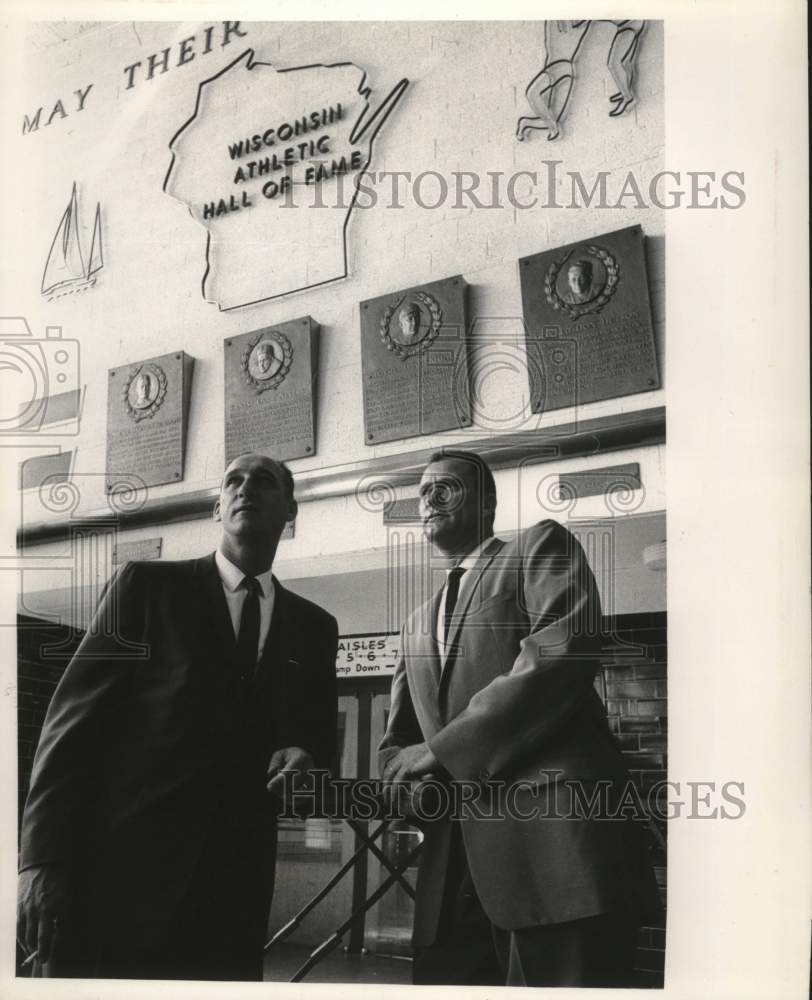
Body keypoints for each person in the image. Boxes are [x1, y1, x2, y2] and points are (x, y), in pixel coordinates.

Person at [17, 452, 339, 981]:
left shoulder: (314, 627)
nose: (245, 488)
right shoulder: (146, 587)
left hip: (232, 895)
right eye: (233, 481)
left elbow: (317, 739)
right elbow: (70, 730)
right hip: (117, 879)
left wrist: (306, 755)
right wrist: (40, 860)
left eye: (263, 481)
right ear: (217, 507)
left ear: (291, 509)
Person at [379, 449, 660, 987]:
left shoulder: (538, 547)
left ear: (487, 502)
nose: (429, 498)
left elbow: (559, 654)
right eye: (423, 491)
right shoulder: (414, 623)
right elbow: (400, 743)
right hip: (451, 871)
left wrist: (440, 750)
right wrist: (410, 786)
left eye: (445, 486)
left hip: (554, 854)